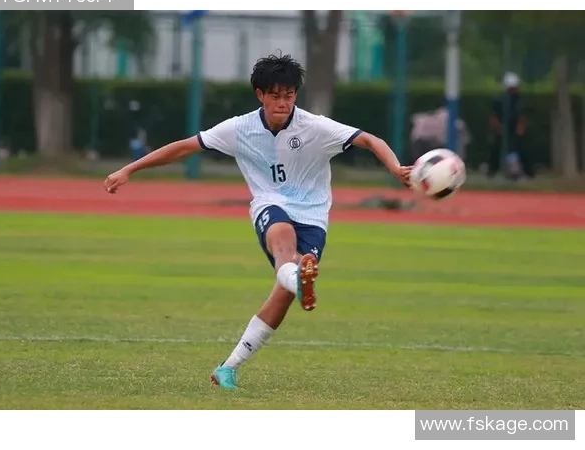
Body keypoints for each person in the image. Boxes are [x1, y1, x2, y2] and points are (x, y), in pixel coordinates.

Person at [103, 54, 412, 389]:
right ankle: (297, 276)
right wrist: (129, 169)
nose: (283, 103)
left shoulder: (315, 127)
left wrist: (395, 168)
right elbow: (183, 148)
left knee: (283, 294)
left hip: (313, 217)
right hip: (270, 204)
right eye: (275, 96)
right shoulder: (239, 129)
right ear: (260, 95)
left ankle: (229, 367)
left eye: (289, 95)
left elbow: (370, 140)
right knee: (283, 240)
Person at [487, 72, 534, 180]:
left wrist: (520, 129)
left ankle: (524, 172)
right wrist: (499, 128)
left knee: (520, 149)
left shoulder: (518, 100)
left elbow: (522, 116)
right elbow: (493, 116)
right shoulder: (500, 100)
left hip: (514, 130)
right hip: (503, 129)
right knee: (497, 149)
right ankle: (493, 171)